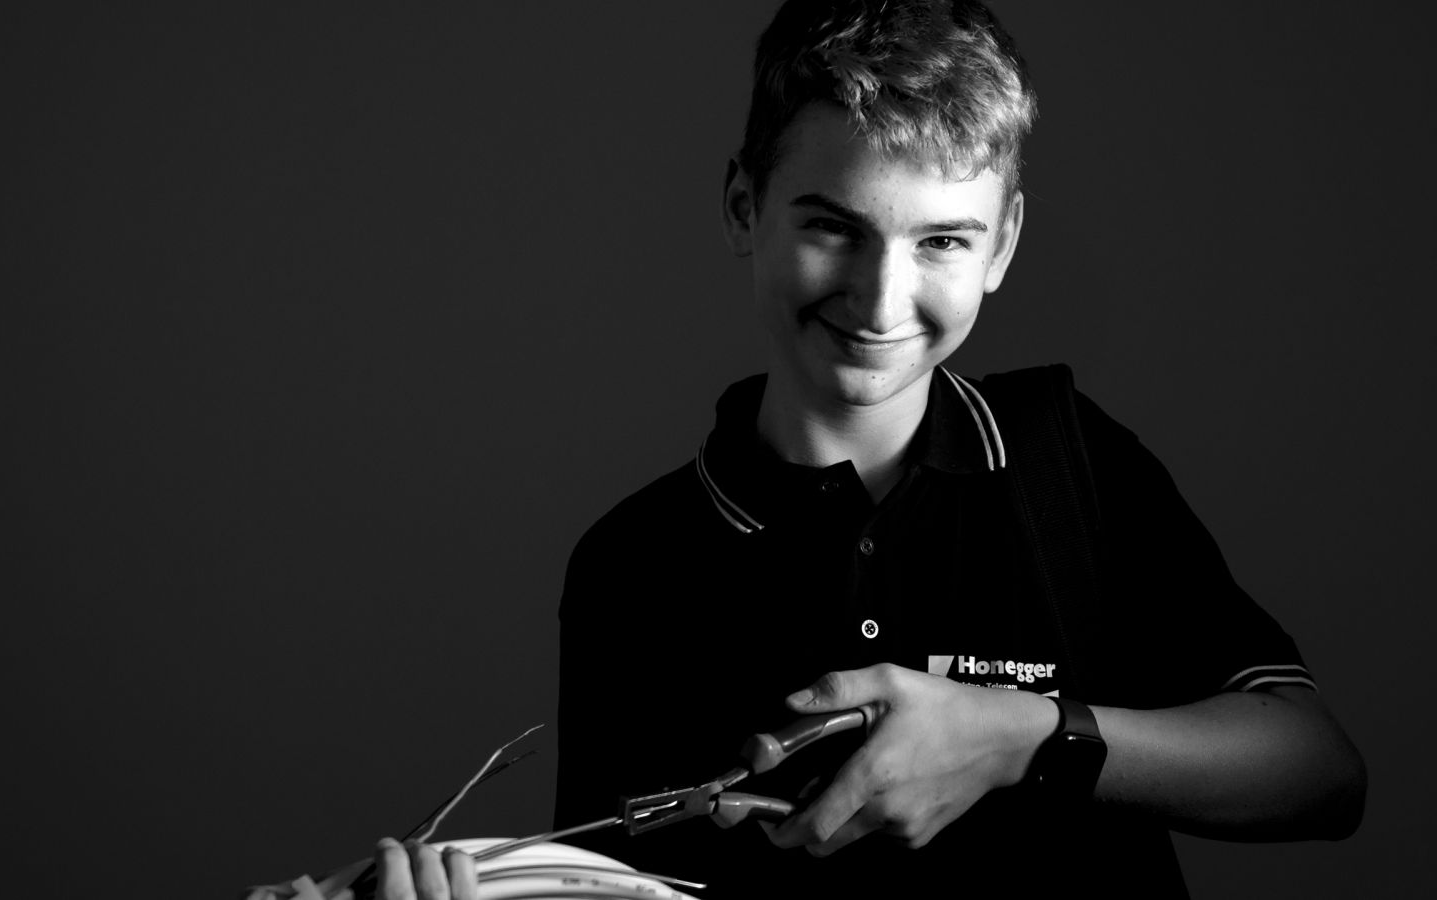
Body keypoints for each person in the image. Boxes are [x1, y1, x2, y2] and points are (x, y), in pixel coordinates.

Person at [381, 1, 1365, 897]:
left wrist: (1022, 738)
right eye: (833, 228)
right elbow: (614, 883)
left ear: (1002, 245)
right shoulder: (631, 564)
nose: (881, 301)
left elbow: (1318, 775)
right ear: (742, 207)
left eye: (942, 241)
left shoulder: (1071, 463)